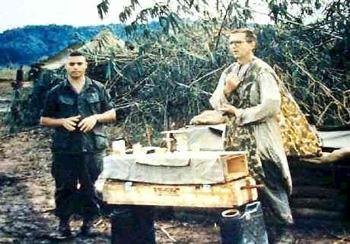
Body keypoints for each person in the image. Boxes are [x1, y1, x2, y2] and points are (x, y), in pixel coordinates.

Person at [210, 28, 293, 243]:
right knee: (242, 186)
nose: (234, 47)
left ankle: (284, 233)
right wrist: (227, 90)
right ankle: (253, 234)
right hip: (235, 140)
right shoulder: (229, 71)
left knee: (270, 184)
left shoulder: (262, 71)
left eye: (238, 42)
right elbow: (215, 103)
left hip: (260, 138)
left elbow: (272, 105)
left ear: (252, 44)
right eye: (230, 43)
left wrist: (240, 113)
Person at [40, 51, 116, 237]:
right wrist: (62, 122)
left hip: (92, 147)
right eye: (71, 64)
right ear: (66, 66)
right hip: (65, 148)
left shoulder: (98, 88)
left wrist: (96, 118)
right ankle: (64, 225)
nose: (75, 67)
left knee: (90, 187)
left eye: (79, 63)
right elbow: (44, 119)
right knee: (65, 186)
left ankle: (88, 222)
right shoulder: (56, 92)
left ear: (85, 65)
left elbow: (112, 113)